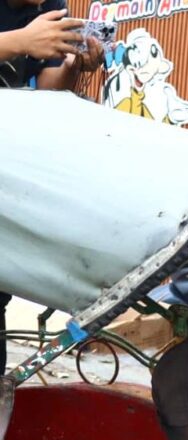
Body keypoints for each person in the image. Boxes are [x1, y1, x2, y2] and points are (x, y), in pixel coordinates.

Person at [0, 1, 103, 374]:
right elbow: (23, 43)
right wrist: (19, 41)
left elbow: (48, 89)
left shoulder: (50, 8)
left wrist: (73, 65)